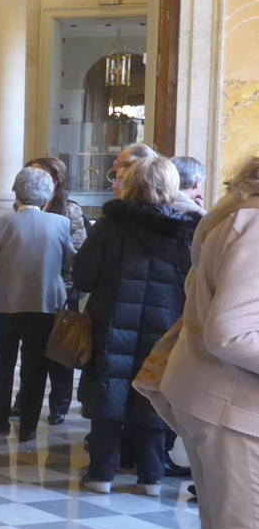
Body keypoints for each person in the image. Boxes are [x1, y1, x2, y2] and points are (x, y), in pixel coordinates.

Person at [136, 156, 259, 529]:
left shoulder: (235, 211)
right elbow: (232, 331)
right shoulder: (255, 223)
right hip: (233, 405)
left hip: (207, 396)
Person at [74, 154, 195, 495]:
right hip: (164, 326)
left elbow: (83, 276)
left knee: (108, 393)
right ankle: (151, 477)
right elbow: (193, 284)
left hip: (111, 322)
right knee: (152, 393)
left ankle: (101, 474)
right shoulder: (185, 233)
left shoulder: (110, 226)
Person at [0, 166, 74, 442]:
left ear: (16, 193)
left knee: (3, 365)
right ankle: (28, 428)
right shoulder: (60, 224)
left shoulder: (0, 224)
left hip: (5, 303)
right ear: (47, 197)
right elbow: (69, 262)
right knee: (35, 367)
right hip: (45, 302)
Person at [25, 154, 87, 424]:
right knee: (32, 349)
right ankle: (25, 400)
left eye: (40, 175)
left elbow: (79, 250)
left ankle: (59, 405)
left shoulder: (69, 209)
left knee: (60, 349)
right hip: (32, 287)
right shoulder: (25, 206)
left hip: (61, 288)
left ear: (55, 180)